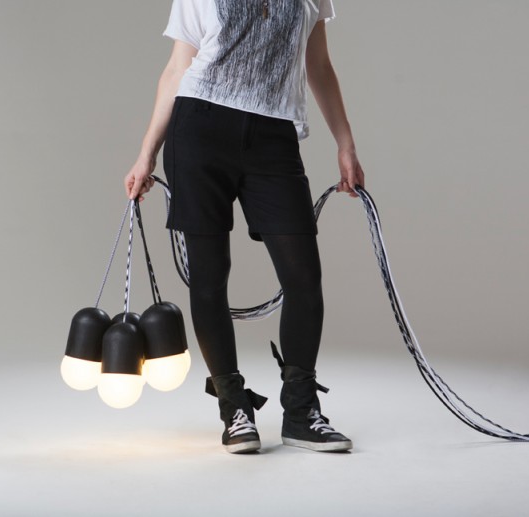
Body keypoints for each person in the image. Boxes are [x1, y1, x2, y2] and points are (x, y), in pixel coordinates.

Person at [123, 0, 365, 454]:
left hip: (274, 137)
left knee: (303, 277)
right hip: (199, 130)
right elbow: (177, 67)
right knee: (209, 278)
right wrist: (146, 154)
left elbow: (318, 65)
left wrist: (345, 144)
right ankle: (234, 408)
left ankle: (300, 412)